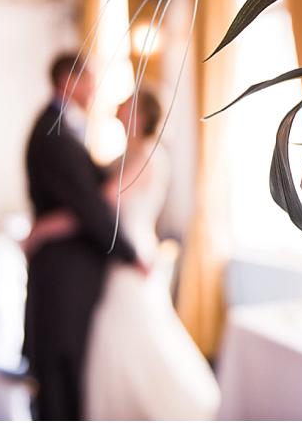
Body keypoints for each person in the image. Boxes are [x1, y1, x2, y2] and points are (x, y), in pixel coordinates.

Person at [23, 53, 146, 421]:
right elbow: (88, 204)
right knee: (61, 364)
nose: (93, 89)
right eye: (89, 80)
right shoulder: (53, 132)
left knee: (70, 363)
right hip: (64, 272)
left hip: (71, 268)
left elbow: (89, 193)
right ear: (67, 80)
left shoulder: (62, 128)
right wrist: (128, 252)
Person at [83, 90, 220, 420]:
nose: (119, 103)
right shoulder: (126, 154)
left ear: (140, 115)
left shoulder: (149, 153)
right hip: (122, 251)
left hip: (134, 255)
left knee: (132, 325)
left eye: (127, 102)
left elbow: (106, 198)